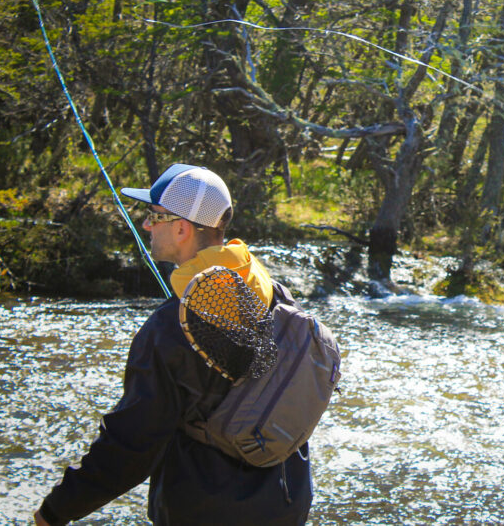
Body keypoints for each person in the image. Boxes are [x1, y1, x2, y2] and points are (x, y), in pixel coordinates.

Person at [34, 164, 312, 525]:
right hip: (285, 503)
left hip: (205, 512)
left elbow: (130, 446)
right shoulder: (274, 292)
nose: (146, 226)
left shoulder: (168, 330)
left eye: (154, 216)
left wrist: (55, 511)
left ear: (181, 228)